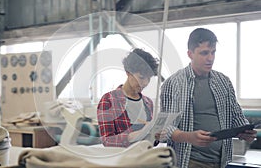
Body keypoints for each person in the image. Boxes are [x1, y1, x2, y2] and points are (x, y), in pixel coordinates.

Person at [160, 28, 257, 168]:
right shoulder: (173, 83)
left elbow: (236, 116)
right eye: (204, 53)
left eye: (213, 52)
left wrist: (245, 132)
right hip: (189, 162)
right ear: (190, 54)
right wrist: (189, 137)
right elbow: (165, 128)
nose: (210, 58)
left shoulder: (223, 81)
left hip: (221, 161)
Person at [97, 48, 159, 147]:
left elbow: (151, 143)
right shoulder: (109, 100)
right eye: (141, 77)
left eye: (149, 79)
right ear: (128, 72)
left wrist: (156, 137)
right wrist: (131, 136)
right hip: (122, 159)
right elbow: (107, 141)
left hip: (145, 157)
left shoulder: (148, 103)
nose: (145, 83)